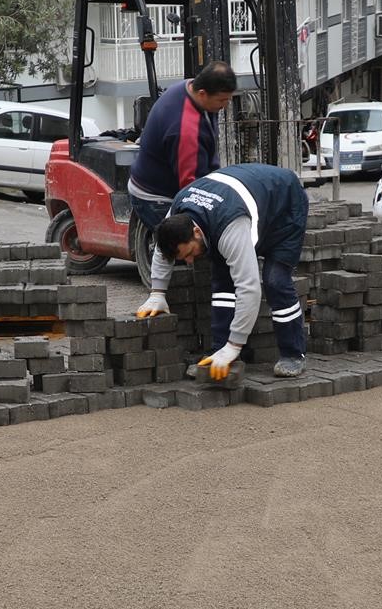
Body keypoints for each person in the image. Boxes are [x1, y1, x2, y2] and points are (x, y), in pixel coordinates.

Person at [154, 164, 310, 380]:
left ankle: (293, 354)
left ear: (196, 232)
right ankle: (221, 350)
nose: (189, 261)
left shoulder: (230, 226)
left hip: (284, 204)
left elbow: (249, 288)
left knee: (275, 280)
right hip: (245, 197)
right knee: (222, 281)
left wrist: (235, 344)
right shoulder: (178, 210)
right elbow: (162, 251)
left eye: (189, 252)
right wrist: (157, 293)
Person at [128, 61, 238, 319]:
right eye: (222, 101)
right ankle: (174, 305)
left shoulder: (191, 87)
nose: (225, 106)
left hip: (169, 179)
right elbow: (190, 197)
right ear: (203, 94)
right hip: (156, 194)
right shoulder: (186, 130)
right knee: (179, 238)